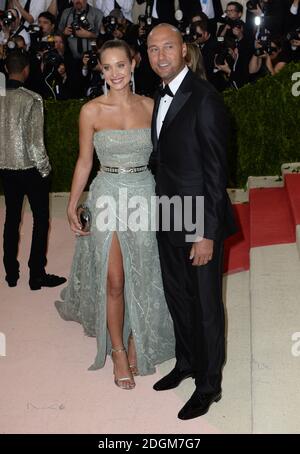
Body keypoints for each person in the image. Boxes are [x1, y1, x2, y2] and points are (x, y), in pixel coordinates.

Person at [55, 39, 174, 390]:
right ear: (101, 70)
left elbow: (169, 158)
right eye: (107, 67)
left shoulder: (153, 107)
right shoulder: (91, 111)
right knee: (116, 280)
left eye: (120, 65)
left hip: (144, 194)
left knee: (145, 270)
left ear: (133, 64)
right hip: (106, 193)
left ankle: (137, 337)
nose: (114, 74)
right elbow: (84, 161)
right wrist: (73, 202)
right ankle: (118, 350)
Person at [147, 24, 236, 420]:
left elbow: (217, 173)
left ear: (184, 50)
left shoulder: (205, 99)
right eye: (153, 49)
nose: (161, 55)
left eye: (168, 47)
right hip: (167, 212)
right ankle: (186, 362)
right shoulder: (158, 95)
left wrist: (206, 233)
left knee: (205, 305)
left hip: (198, 217)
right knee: (177, 295)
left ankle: (209, 384)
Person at [0, 49, 67, 290]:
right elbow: (36, 142)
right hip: (31, 169)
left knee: (11, 219)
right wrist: (46, 169)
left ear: (7, 69)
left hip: (5, 169)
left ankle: (11, 274)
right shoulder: (32, 99)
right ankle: (36, 276)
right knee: (40, 219)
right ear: (26, 70)